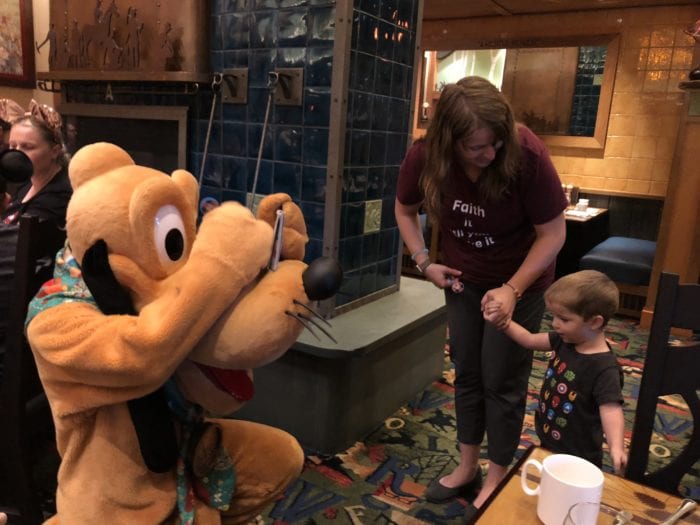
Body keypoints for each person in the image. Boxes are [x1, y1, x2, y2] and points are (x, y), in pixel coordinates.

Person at [395, 76, 567, 518]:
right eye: (475, 148)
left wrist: (512, 290)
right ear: (447, 141)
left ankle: (496, 474)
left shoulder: (525, 154)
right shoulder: (424, 155)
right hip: (463, 280)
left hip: (519, 280)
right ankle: (467, 465)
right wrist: (423, 261)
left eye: (494, 145)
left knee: (502, 380)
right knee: (468, 371)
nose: (488, 155)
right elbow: (404, 208)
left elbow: (552, 234)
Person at [484, 270, 627, 473]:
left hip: (579, 453)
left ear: (595, 322)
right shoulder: (564, 340)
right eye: (553, 316)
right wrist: (503, 322)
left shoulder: (604, 368)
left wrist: (616, 447)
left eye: (564, 319)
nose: (555, 324)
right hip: (550, 437)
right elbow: (529, 340)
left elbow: (611, 409)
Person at [0, 99, 72, 226]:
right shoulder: (27, 184)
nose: (16, 153)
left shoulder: (58, 196)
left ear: (54, 151)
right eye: (12, 145)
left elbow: (19, 240)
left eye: (27, 147)